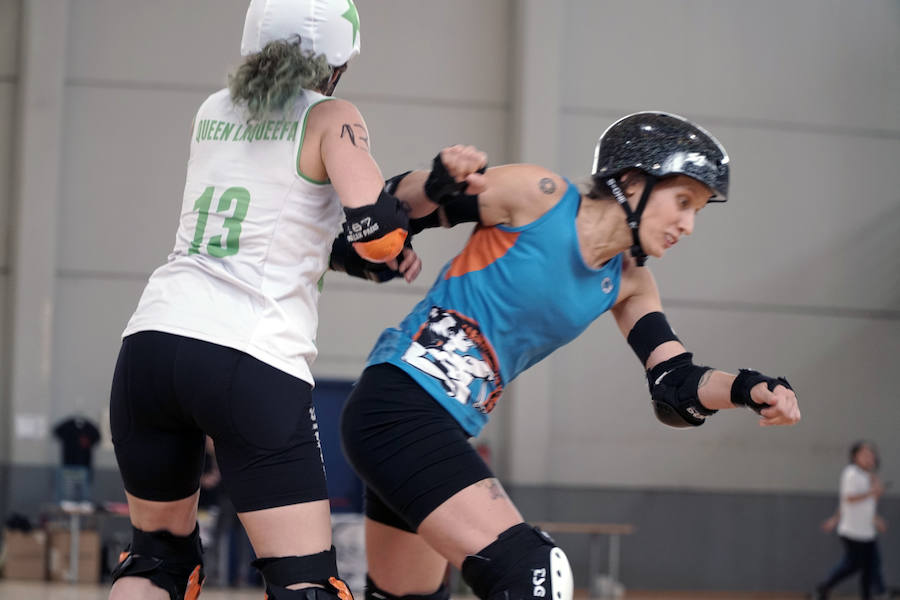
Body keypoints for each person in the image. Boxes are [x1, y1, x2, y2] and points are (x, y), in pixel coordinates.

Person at [338, 112, 802, 600]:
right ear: (631, 182)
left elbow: (675, 385)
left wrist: (749, 388)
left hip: (439, 431)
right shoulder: (540, 197)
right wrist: (436, 179)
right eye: (682, 202)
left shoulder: (629, 283)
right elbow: (394, 207)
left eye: (698, 212)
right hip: (399, 405)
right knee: (533, 573)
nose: (687, 225)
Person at [107, 1, 422, 599]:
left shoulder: (213, 109)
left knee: (156, 561)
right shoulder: (331, 115)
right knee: (306, 582)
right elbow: (376, 236)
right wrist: (410, 218)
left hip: (150, 344)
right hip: (248, 354)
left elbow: (287, 222)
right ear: (335, 64)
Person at [815, 441, 888, 599]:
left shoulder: (869, 476)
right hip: (853, 531)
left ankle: (869, 595)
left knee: (870, 567)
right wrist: (873, 491)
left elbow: (867, 505)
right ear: (855, 457)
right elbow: (849, 498)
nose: (870, 458)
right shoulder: (851, 473)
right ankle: (824, 587)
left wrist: (877, 519)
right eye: (865, 454)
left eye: (871, 454)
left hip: (867, 531)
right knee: (853, 565)